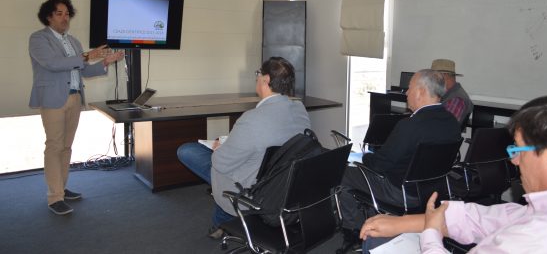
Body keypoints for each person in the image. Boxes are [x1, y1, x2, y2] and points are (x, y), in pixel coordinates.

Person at [359, 99, 547, 253]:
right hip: (426, 193)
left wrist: (431, 233)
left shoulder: (537, 239)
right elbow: (492, 218)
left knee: (377, 243)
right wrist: (408, 221)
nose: (514, 161)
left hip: (403, 194)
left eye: (518, 150)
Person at [176, 57, 311, 239]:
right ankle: (222, 223)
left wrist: (219, 148)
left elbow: (221, 163)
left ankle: (222, 222)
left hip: (252, 188)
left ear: (266, 80)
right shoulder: (299, 109)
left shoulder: (252, 119)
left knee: (188, 151)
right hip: (284, 182)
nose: (257, 78)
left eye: (258, 74)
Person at [338, 69, 461, 245]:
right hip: (433, 192)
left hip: (401, 193)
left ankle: (353, 230)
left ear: (421, 91)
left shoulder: (410, 126)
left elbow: (380, 165)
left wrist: (364, 157)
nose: (406, 93)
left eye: (409, 88)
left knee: (344, 173)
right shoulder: (452, 123)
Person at [29, 0, 124, 215]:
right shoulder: (38, 39)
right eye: (59, 13)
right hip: (53, 99)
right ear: (48, 16)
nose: (65, 18)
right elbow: (53, 64)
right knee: (54, 146)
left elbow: (84, 70)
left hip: (74, 97)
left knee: (66, 146)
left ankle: (61, 188)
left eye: (67, 14)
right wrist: (86, 55)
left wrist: (105, 62)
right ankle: (54, 197)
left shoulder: (73, 41)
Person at [430, 59, 473, 126]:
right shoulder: (447, 94)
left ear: (444, 76)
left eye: (434, 76)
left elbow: (445, 126)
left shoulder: (456, 99)